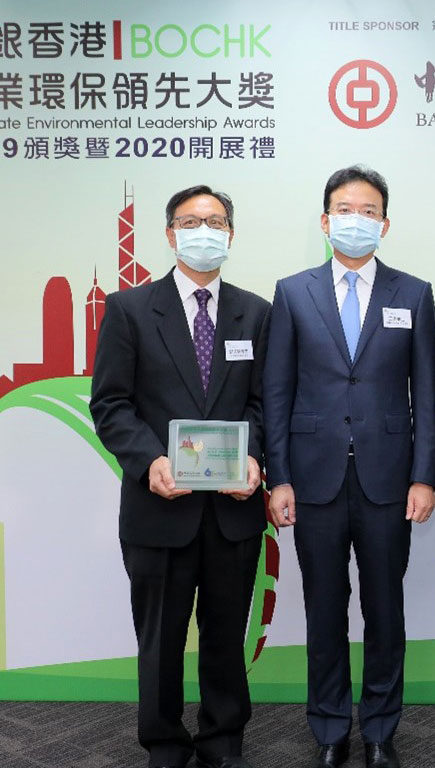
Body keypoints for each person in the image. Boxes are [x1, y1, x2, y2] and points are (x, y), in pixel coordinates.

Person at [262, 165, 435, 768]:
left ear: (385, 223)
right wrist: (278, 477)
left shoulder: (413, 293)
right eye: (345, 209)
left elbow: (428, 392)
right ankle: (332, 728)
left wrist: (424, 475)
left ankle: (382, 731)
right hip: (312, 479)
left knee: (386, 610)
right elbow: (278, 393)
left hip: (390, 480)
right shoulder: (292, 291)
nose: (356, 220)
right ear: (324, 220)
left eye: (368, 211)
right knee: (324, 607)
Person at [91, 185, 270, 768]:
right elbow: (112, 404)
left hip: (232, 510)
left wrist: (255, 458)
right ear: (169, 234)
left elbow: (266, 403)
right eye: (191, 221)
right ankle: (164, 744)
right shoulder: (130, 310)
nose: (205, 231)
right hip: (159, 508)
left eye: (216, 221)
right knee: (161, 641)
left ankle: (222, 742)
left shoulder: (255, 311)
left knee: (224, 639)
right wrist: (150, 461)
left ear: (232, 234)